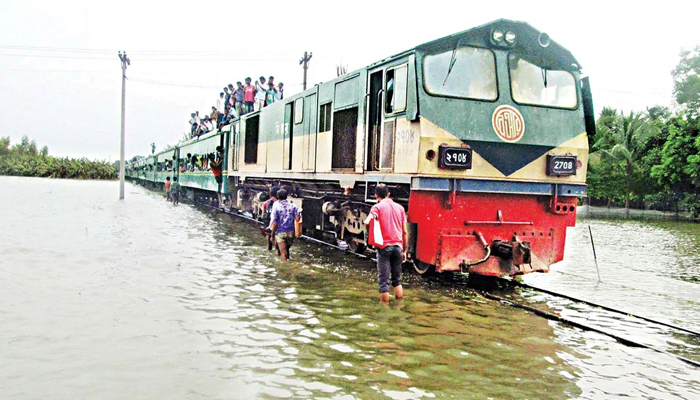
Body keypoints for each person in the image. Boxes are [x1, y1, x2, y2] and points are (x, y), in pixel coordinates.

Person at [363, 184, 407, 302]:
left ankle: (385, 310)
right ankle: (398, 307)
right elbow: (405, 232)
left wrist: (371, 231)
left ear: (376, 195)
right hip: (398, 247)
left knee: (384, 282)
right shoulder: (400, 208)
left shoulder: (377, 207)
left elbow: (367, 221)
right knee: (397, 280)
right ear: (388, 194)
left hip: (384, 247)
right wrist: (405, 250)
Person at [269, 188, 300, 261]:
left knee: (283, 253)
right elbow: (297, 219)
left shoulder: (276, 205)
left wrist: (272, 235)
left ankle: (284, 269)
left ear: (277, 196)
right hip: (291, 233)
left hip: (281, 232)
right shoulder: (293, 205)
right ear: (287, 196)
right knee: (287, 252)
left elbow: (275, 222)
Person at [261, 185, 280, 254]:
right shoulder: (279, 203)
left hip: (268, 222)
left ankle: (269, 249)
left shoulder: (266, 203)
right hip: (277, 223)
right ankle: (277, 251)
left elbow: (263, 215)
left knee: (268, 238)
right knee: (277, 240)